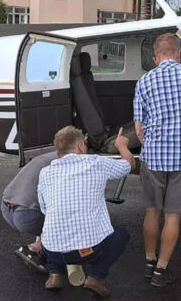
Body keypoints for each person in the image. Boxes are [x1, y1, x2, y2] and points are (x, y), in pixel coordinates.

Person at [133, 33, 181, 287]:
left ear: (156, 57)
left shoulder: (144, 81)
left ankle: (148, 261)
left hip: (154, 157)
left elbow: (138, 128)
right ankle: (161, 271)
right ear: (178, 54)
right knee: (173, 216)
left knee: (152, 212)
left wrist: (153, 147)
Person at [38, 126, 135, 298]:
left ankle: (54, 274)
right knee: (121, 235)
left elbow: (44, 208)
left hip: (52, 251)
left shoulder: (45, 173)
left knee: (51, 229)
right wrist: (122, 147)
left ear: (58, 151)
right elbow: (129, 165)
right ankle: (96, 277)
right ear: (82, 146)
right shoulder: (95, 163)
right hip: (88, 250)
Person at [1, 151, 58, 273]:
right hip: (26, 216)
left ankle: (39, 244)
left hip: (7, 207)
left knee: (42, 202)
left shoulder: (46, 156)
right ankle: (39, 249)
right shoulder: (68, 165)